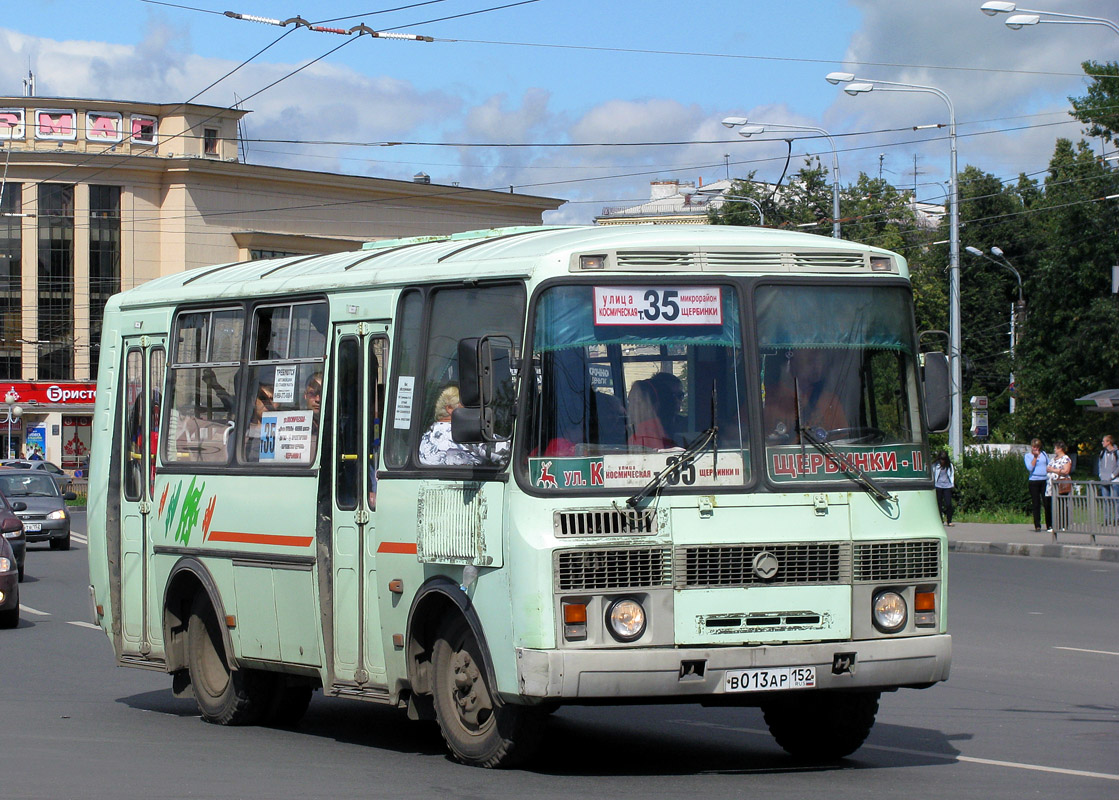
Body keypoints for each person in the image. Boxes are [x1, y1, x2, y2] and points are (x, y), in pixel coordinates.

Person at [763, 348, 849, 443]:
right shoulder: (765, 400)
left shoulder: (830, 402)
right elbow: (746, 444)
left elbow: (845, 448)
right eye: (810, 360)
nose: (817, 361)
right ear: (790, 358)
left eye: (819, 358)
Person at [418, 385, 506, 466]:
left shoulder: (426, 437)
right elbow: (506, 451)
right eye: (466, 405)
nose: (472, 410)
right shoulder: (465, 432)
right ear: (450, 409)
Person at [627, 379, 675, 450]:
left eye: (637, 403)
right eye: (630, 402)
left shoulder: (644, 435)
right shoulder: (662, 430)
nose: (631, 408)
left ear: (654, 406)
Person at [1023, 438, 1050, 532]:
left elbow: (1048, 465)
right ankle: (1037, 525)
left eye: (1037, 447)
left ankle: (1049, 524)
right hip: (1034, 481)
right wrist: (1035, 457)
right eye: (1034, 447)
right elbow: (1030, 468)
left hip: (1044, 480)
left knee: (1047, 502)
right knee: (1036, 503)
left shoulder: (1044, 454)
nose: (1036, 449)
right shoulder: (1028, 456)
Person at [1046, 440, 1072, 534]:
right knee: (1049, 504)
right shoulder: (1053, 459)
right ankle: (1051, 525)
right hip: (1050, 485)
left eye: (1055, 448)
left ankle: (1063, 525)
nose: (1054, 450)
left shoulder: (1066, 458)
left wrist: (1054, 470)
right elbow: (1048, 468)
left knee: (1062, 504)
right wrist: (1053, 470)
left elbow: (1066, 471)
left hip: (1061, 485)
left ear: (1060, 449)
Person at [1097, 434, 1118, 525]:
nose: (1102, 443)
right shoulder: (1102, 453)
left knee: (1115, 500)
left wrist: (1112, 475)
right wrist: (1101, 475)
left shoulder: (1116, 452)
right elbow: (1100, 465)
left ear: (1109, 442)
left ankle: (1117, 518)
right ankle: (1107, 519)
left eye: (1104, 441)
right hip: (1104, 479)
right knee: (1106, 500)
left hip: (1114, 480)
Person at [932, 451, 955, 526]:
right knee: (939, 504)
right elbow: (932, 473)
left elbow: (952, 475)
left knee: (948, 504)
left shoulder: (949, 466)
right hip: (938, 485)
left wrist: (952, 484)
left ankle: (949, 520)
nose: (942, 461)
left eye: (944, 459)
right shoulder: (936, 465)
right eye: (941, 459)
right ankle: (940, 520)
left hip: (947, 486)